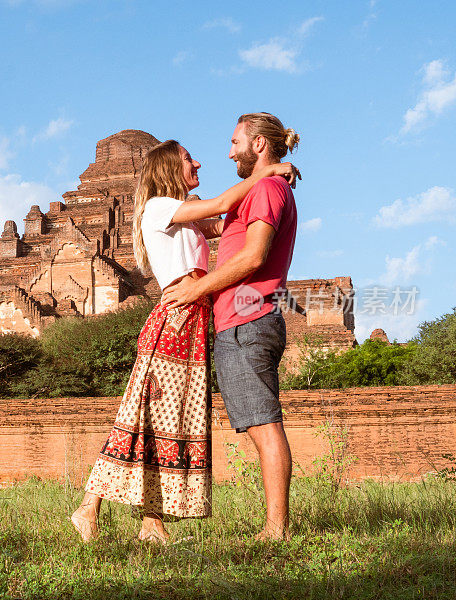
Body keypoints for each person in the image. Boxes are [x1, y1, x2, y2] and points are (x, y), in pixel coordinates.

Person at [70, 138, 298, 544]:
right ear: (168, 170)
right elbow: (222, 202)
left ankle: (152, 523)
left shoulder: (184, 219)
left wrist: (270, 185)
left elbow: (229, 216)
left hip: (194, 323)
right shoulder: (160, 207)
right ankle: (88, 508)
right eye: (188, 159)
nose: (198, 162)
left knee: (169, 424)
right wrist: (267, 170)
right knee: (139, 417)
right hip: (175, 320)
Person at [162, 112, 301, 541]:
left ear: (258, 144)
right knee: (260, 422)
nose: (229, 151)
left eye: (235, 141)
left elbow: (252, 257)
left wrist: (190, 293)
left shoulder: (267, 188)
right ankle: (275, 525)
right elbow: (220, 223)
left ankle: (276, 529)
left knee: (264, 424)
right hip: (244, 321)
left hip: (249, 319)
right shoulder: (261, 190)